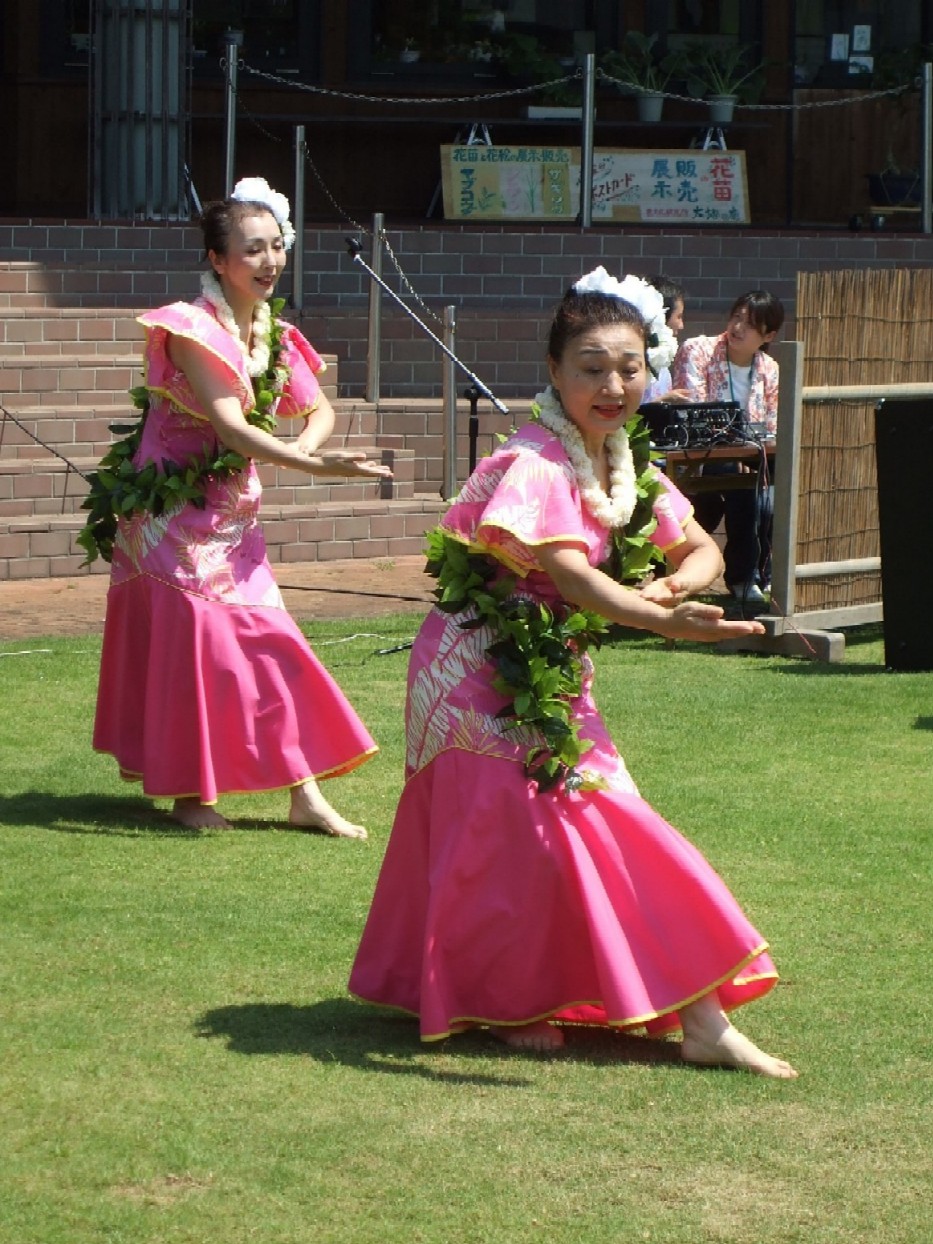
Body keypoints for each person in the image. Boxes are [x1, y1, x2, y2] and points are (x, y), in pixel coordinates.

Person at [349, 267, 797, 1079]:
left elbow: (699, 547)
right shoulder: (536, 466)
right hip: (473, 668)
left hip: (554, 667)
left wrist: (667, 586)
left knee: (593, 817)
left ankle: (691, 1017)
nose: (612, 385)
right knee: (512, 831)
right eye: (590, 367)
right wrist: (657, 616)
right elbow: (573, 580)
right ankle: (526, 999)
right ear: (553, 373)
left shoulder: (622, 463)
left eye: (628, 368)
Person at [89, 177, 392, 835]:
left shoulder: (272, 335)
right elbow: (229, 427)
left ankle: (303, 794)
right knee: (204, 651)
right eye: (252, 250)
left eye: (276, 247)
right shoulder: (193, 329)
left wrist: (310, 448)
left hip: (231, 519)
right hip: (171, 517)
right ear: (217, 261)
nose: (269, 261)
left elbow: (318, 407)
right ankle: (192, 796)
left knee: (273, 644)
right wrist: (311, 462)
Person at [671, 290, 784, 607]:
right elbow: (693, 413)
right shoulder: (698, 350)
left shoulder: (769, 368)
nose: (737, 328)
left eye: (749, 324)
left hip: (751, 458)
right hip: (699, 458)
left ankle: (756, 576)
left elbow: (773, 426)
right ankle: (744, 578)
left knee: (765, 491)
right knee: (745, 488)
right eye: (736, 317)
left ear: (768, 335)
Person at [641, 274, 691, 404]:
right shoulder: (633, 360)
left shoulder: (662, 362)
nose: (681, 325)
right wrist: (659, 403)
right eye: (678, 316)